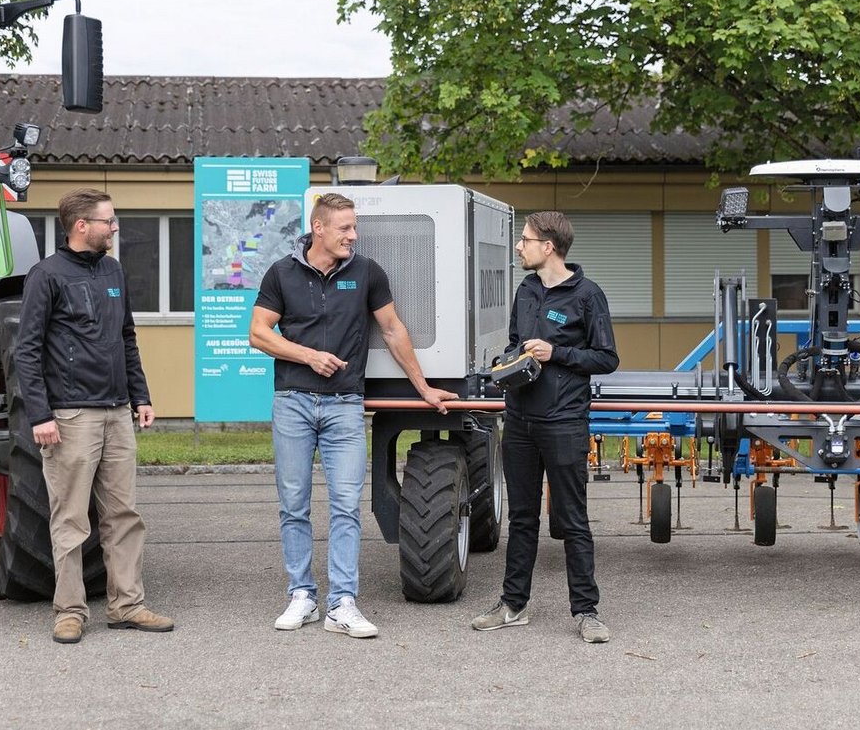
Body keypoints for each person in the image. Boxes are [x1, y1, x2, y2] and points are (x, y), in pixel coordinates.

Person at [249, 192, 456, 639]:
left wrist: (423, 388)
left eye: (354, 226)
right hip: (293, 402)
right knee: (294, 505)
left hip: (345, 405)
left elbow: (393, 329)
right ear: (318, 227)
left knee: (346, 506)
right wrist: (308, 356)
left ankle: (342, 602)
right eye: (344, 227)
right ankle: (302, 595)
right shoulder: (281, 273)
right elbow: (259, 333)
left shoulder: (366, 272)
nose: (353, 235)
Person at [14, 187, 174, 645]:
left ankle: (128, 605)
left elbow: (126, 338)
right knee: (70, 519)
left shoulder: (113, 271)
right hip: (69, 416)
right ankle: (69, 611)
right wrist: (40, 414)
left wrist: (140, 395)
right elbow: (27, 349)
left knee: (123, 514)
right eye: (109, 220)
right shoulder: (46, 275)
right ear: (82, 226)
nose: (115, 227)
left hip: (117, 412)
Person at [471, 211, 619, 643]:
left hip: (565, 422)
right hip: (519, 421)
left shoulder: (588, 295)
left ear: (548, 247)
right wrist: (510, 360)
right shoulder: (526, 290)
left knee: (572, 518)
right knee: (520, 517)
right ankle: (513, 604)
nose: (519, 246)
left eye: (525, 240)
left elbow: (606, 358)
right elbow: (516, 341)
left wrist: (557, 353)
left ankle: (587, 611)